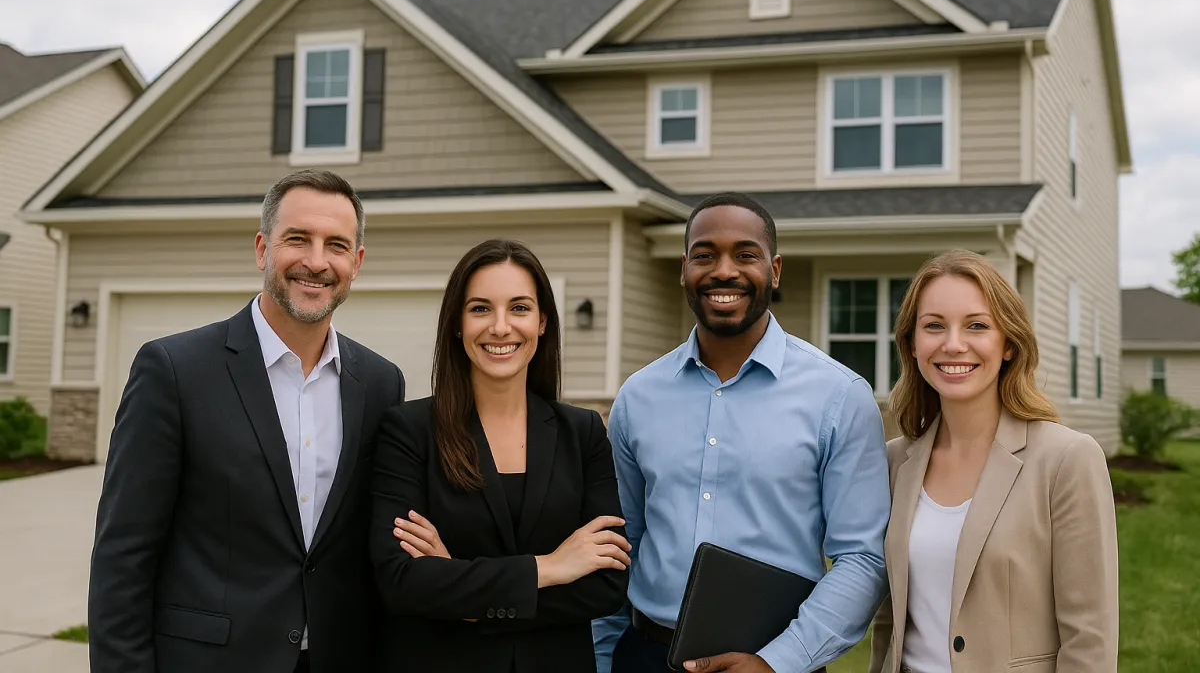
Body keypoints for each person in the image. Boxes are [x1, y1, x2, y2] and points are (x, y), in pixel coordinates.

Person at [88, 169, 405, 673]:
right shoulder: (174, 370)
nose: (316, 262)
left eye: (337, 245)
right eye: (297, 239)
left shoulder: (382, 383)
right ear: (262, 249)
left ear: (357, 262)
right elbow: (122, 557)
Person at [592, 193, 891, 673]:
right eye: (705, 255)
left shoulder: (839, 396)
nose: (724, 271)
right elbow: (615, 548)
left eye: (745, 255)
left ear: (774, 271)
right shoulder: (637, 398)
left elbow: (862, 559)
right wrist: (603, 661)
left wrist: (778, 662)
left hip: (778, 661)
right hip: (645, 657)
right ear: (684, 268)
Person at [370, 238, 630, 673]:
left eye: (520, 308)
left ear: (543, 322)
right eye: (480, 308)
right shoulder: (409, 432)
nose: (500, 326)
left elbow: (606, 583)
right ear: (457, 323)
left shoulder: (582, 433)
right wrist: (550, 567)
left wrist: (459, 590)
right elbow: (400, 581)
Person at [868, 250, 1119, 673]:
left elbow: (1090, 639)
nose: (953, 344)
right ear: (912, 345)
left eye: (977, 326)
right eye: (934, 326)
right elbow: (889, 619)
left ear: (1008, 345)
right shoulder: (894, 461)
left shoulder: (1067, 460)